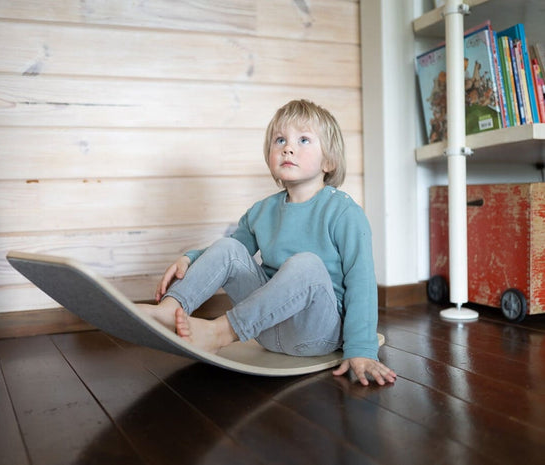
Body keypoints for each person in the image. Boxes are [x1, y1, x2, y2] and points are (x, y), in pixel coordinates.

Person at [137, 99, 396, 386]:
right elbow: (228, 254)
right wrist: (191, 258)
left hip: (318, 333)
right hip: (266, 328)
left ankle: (221, 332)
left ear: (329, 161)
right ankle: (168, 311)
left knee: (306, 264)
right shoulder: (262, 211)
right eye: (280, 139)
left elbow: (362, 282)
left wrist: (361, 349)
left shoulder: (344, 212)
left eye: (304, 140)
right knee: (229, 247)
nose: (288, 147)